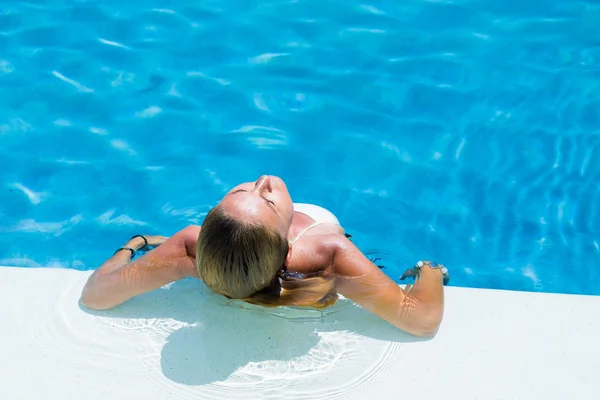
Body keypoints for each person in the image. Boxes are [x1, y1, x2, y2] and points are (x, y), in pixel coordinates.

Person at [81, 175, 447, 337]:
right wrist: (427, 270)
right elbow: (421, 320)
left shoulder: (188, 246)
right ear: (287, 246)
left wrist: (134, 244)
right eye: (266, 199)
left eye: (246, 190)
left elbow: (96, 295)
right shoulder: (328, 252)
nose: (263, 181)